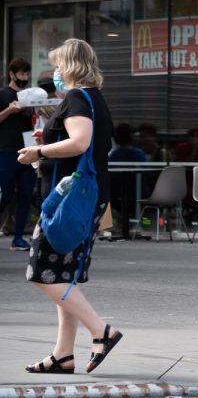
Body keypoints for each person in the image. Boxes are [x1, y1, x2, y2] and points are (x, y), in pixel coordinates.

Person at [17, 39, 122, 374]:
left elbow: (80, 141)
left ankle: (100, 330)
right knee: (63, 274)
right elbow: (79, 143)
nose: (55, 73)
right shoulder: (92, 98)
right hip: (84, 196)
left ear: (72, 66)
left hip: (68, 200)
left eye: (59, 66)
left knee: (42, 271)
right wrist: (46, 142)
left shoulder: (77, 97)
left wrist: (40, 153)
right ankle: (63, 355)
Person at [0, 57, 37, 251]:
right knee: (4, 193)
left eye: (27, 74)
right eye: (21, 74)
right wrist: (9, 110)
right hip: (6, 150)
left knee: (25, 193)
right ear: (12, 74)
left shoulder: (30, 95)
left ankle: (18, 238)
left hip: (28, 149)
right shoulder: (3, 94)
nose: (25, 77)